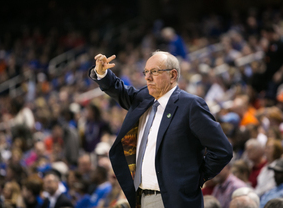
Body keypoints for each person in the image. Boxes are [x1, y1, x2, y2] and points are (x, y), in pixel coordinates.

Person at [89, 51, 233, 208]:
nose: (147, 77)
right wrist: (102, 73)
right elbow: (121, 92)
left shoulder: (191, 105)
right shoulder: (145, 97)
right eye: (146, 72)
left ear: (172, 75)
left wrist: (196, 177)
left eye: (154, 72)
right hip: (141, 197)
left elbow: (222, 149)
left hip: (173, 199)